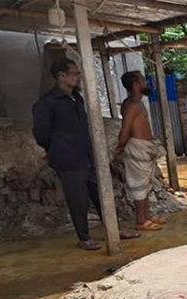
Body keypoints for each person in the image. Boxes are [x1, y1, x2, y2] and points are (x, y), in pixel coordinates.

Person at [32, 58, 140, 251]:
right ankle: (84, 237)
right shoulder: (48, 103)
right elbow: (41, 133)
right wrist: (56, 148)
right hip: (68, 158)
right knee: (78, 199)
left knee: (101, 194)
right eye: (74, 73)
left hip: (87, 155)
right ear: (61, 76)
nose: (78, 77)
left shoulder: (77, 98)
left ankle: (114, 229)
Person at [116, 71, 166, 231]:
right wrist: (121, 145)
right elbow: (125, 129)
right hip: (138, 148)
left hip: (145, 147)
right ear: (136, 85)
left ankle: (146, 215)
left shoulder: (136, 102)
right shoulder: (132, 105)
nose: (147, 83)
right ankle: (140, 220)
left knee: (145, 182)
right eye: (143, 80)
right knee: (139, 185)